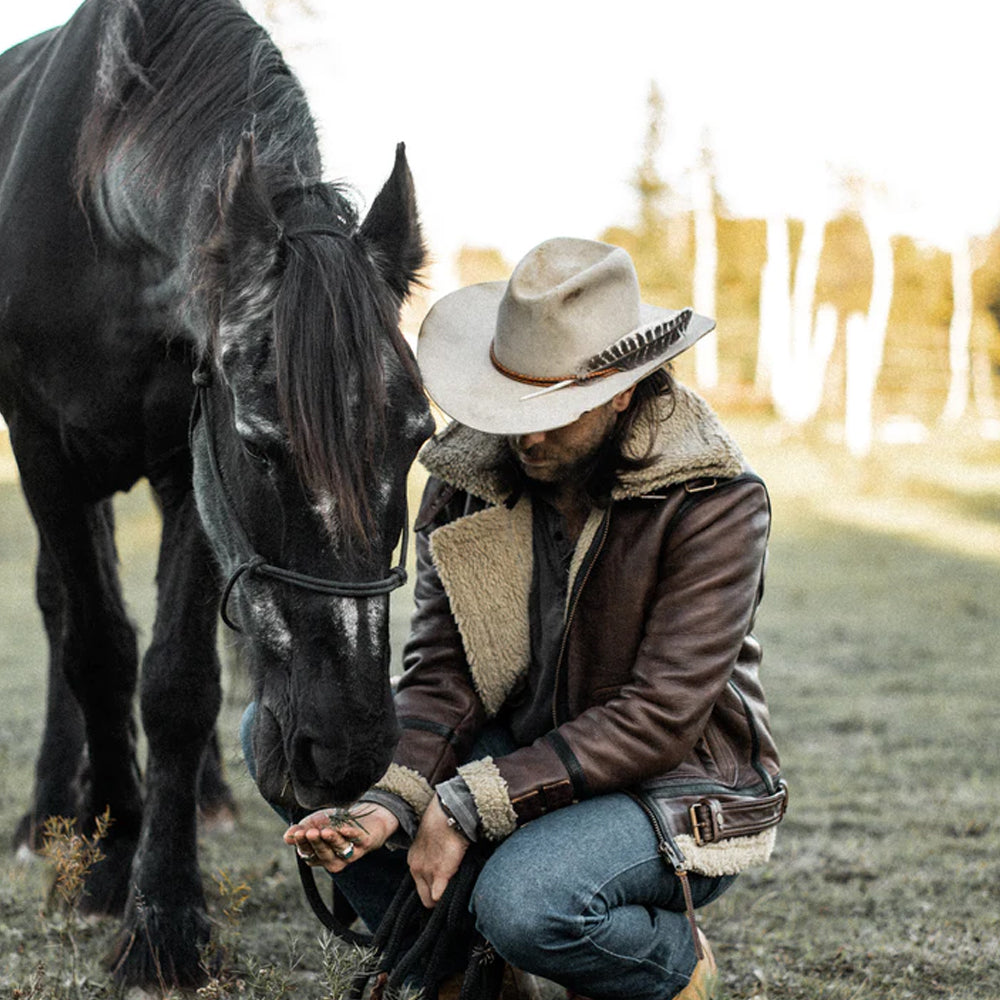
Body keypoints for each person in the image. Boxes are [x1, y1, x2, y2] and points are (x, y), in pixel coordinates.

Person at [281, 237, 787, 1000]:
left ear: (621, 391)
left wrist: (466, 801)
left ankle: (677, 966)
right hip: (520, 752)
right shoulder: (464, 483)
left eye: (556, 410)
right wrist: (388, 804)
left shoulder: (714, 503)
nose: (530, 435)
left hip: (672, 786)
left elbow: (660, 716)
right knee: (310, 736)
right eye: (513, 404)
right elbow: (443, 671)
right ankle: (455, 974)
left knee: (525, 902)